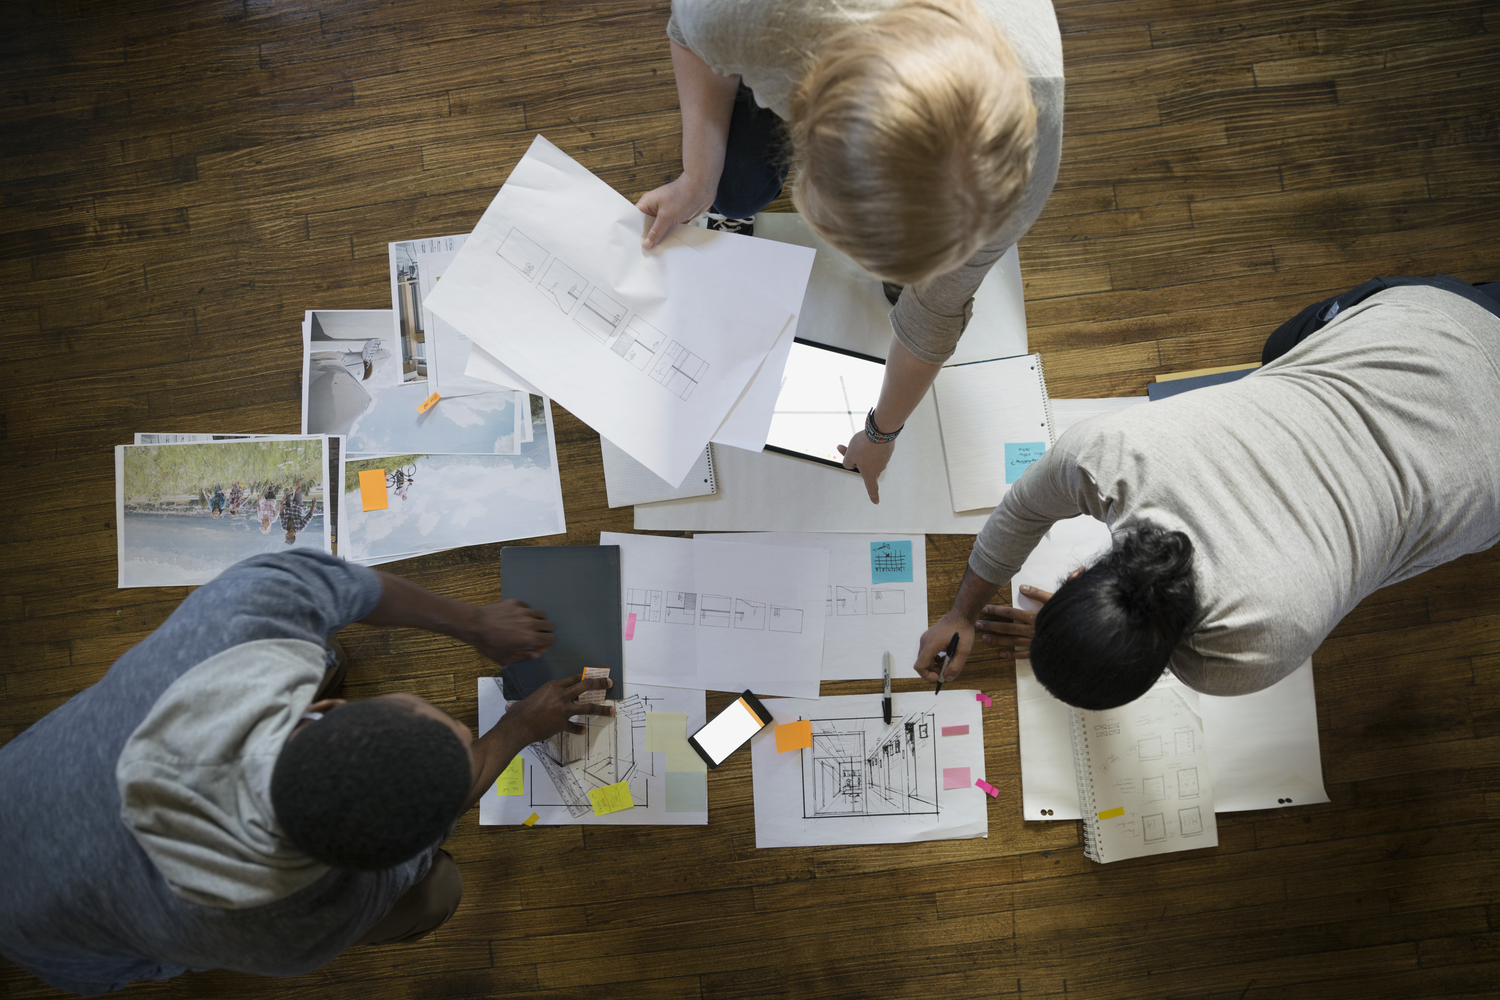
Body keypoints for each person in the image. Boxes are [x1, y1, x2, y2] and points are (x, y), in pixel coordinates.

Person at [0, 550, 611, 995]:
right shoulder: (296, 927)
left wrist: (474, 623)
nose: (461, 728)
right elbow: (448, 804)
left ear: (322, 709)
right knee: (438, 890)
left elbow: (355, 588)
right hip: (63, 939)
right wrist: (518, 728)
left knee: (323, 644)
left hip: (21, 800)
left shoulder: (243, 615)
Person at [913, 277, 1500, 709]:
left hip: (1484, 464)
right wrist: (964, 612)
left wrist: (982, 615)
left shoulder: (1251, 652)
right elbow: (1022, 510)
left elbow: (1022, 513)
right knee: (1282, 346)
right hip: (1425, 323)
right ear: (1082, 573)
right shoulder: (1108, 451)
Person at [636, 0, 1064, 504]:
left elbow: (933, 319)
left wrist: (882, 432)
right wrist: (698, 176)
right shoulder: (741, 13)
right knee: (737, 189)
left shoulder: (1018, 172)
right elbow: (692, 35)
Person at [279, 479, 318, 545]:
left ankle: (290, 477)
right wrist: (313, 505)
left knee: (288, 489)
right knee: (298, 490)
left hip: (287, 506)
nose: (285, 535)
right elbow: (309, 517)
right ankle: (298, 477)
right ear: (292, 536)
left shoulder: (284, 527)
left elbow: (281, 514)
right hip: (297, 506)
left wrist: (281, 504)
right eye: (287, 537)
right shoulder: (300, 528)